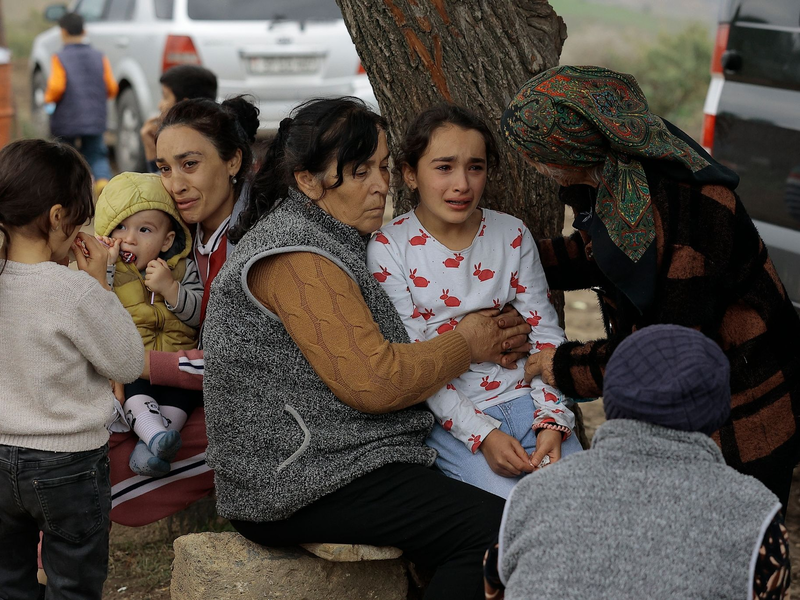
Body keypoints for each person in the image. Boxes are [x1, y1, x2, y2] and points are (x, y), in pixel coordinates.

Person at [203, 97, 533, 600]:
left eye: (382, 167)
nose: (381, 184)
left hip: (342, 460)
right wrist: (467, 342)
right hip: (298, 480)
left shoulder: (329, 232)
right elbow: (374, 381)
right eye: (360, 172)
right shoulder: (296, 255)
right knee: (496, 533)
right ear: (307, 181)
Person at [501, 65, 800, 507]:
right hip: (696, 406)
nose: (531, 165)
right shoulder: (625, 181)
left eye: (534, 154)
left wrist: (558, 366)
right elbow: (601, 254)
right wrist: (507, 259)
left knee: (734, 532)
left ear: (570, 152)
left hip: (744, 412)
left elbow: (662, 354)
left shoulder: (691, 211)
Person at [367, 104, 582, 499]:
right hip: (453, 421)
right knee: (506, 513)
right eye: (444, 167)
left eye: (475, 167)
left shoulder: (511, 235)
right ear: (410, 174)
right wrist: (483, 436)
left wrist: (553, 419)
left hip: (531, 402)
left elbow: (546, 334)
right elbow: (416, 358)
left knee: (580, 502)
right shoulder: (389, 249)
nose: (462, 184)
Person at [494, 325, 790, 599]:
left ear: (611, 397)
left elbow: (496, 583)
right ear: (719, 408)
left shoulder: (532, 494)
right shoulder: (755, 513)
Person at [0, 139, 143, 599]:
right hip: (67, 465)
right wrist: (100, 284)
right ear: (58, 217)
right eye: (79, 222)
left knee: (8, 581)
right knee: (72, 585)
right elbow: (128, 361)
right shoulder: (73, 291)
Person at [107, 96, 259, 526]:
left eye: (189, 164)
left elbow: (248, 365)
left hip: (254, 410)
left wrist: (139, 364)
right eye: (164, 168)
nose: (174, 184)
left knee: (100, 482)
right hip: (187, 388)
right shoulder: (175, 235)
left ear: (233, 161)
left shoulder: (255, 245)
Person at [95, 172, 204, 477]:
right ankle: (155, 438)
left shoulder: (182, 269)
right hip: (135, 366)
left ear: (167, 240)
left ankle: (149, 449)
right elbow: (98, 303)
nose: (129, 238)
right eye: (120, 227)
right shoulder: (111, 270)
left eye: (144, 230)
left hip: (174, 364)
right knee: (135, 394)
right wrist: (107, 264)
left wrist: (171, 289)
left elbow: (199, 314)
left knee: (182, 399)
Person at [44, 12, 118, 195]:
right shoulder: (99, 56)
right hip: (95, 118)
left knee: (65, 154)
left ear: (62, 32)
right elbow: (111, 87)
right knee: (96, 154)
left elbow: (56, 87)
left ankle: (69, 190)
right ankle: (102, 183)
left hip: (66, 118)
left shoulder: (60, 57)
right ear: (84, 31)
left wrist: (48, 99)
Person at [140, 65, 218, 174]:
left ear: (184, 105)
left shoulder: (194, 145)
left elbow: (163, 183)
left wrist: (151, 152)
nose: (160, 105)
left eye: (165, 97)